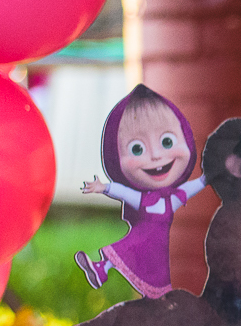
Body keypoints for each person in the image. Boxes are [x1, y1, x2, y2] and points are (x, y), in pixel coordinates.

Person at [74, 85, 206, 298]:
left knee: (156, 273)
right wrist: (103, 187)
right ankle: (101, 270)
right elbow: (124, 193)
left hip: (161, 249)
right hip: (143, 241)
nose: (155, 156)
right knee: (126, 246)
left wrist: (209, 176)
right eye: (137, 149)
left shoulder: (174, 198)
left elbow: (194, 186)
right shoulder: (145, 200)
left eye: (167, 142)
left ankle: (106, 271)